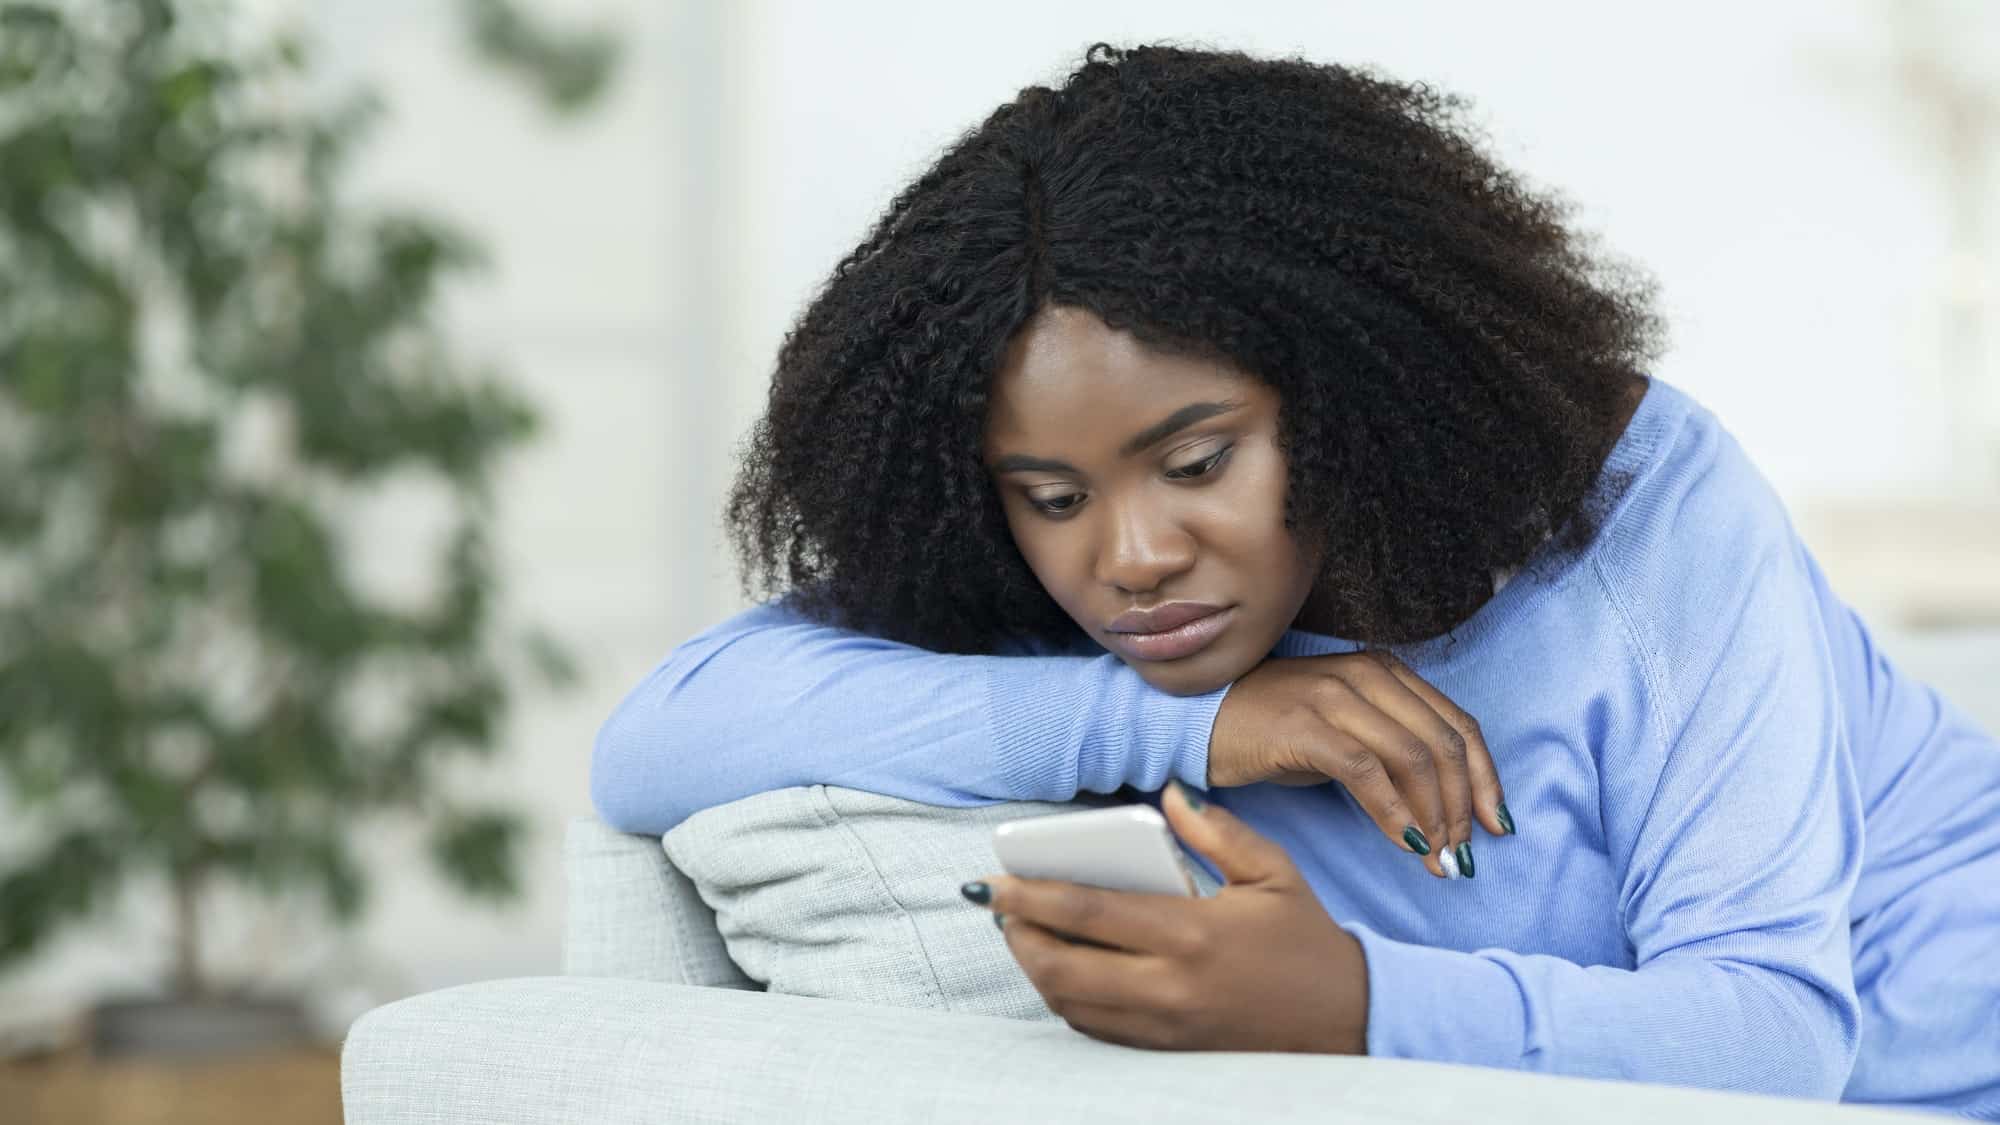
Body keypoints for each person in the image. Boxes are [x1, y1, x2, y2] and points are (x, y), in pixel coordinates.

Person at [590, 44, 2000, 1116]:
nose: (1132, 558)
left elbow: (1778, 1035)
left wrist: (1352, 999)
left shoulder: (1643, 511)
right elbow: (661, 737)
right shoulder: (1065, 607)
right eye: (1055, 497)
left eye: (1198, 462)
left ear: (1349, 391)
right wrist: (1203, 722)